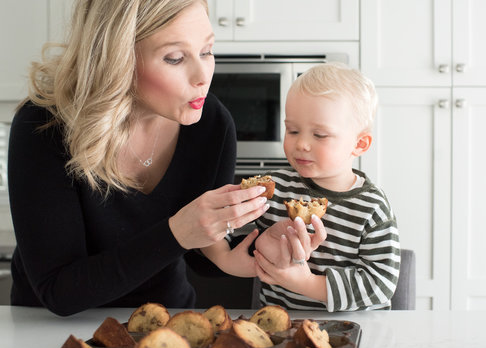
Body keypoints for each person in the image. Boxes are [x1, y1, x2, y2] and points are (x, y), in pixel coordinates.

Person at [7, 0, 323, 316]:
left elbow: (196, 251)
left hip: (165, 322)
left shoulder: (212, 124)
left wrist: (258, 249)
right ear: (117, 60)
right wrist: (177, 232)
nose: (203, 76)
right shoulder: (44, 125)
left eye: (207, 51)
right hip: (47, 333)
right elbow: (59, 291)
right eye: (175, 58)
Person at [252, 63, 401, 311]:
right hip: (282, 330)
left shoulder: (372, 207)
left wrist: (305, 283)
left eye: (319, 135)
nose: (301, 144)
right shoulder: (274, 188)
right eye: (293, 130)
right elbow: (235, 242)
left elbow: (380, 284)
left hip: (355, 331)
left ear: (360, 144)